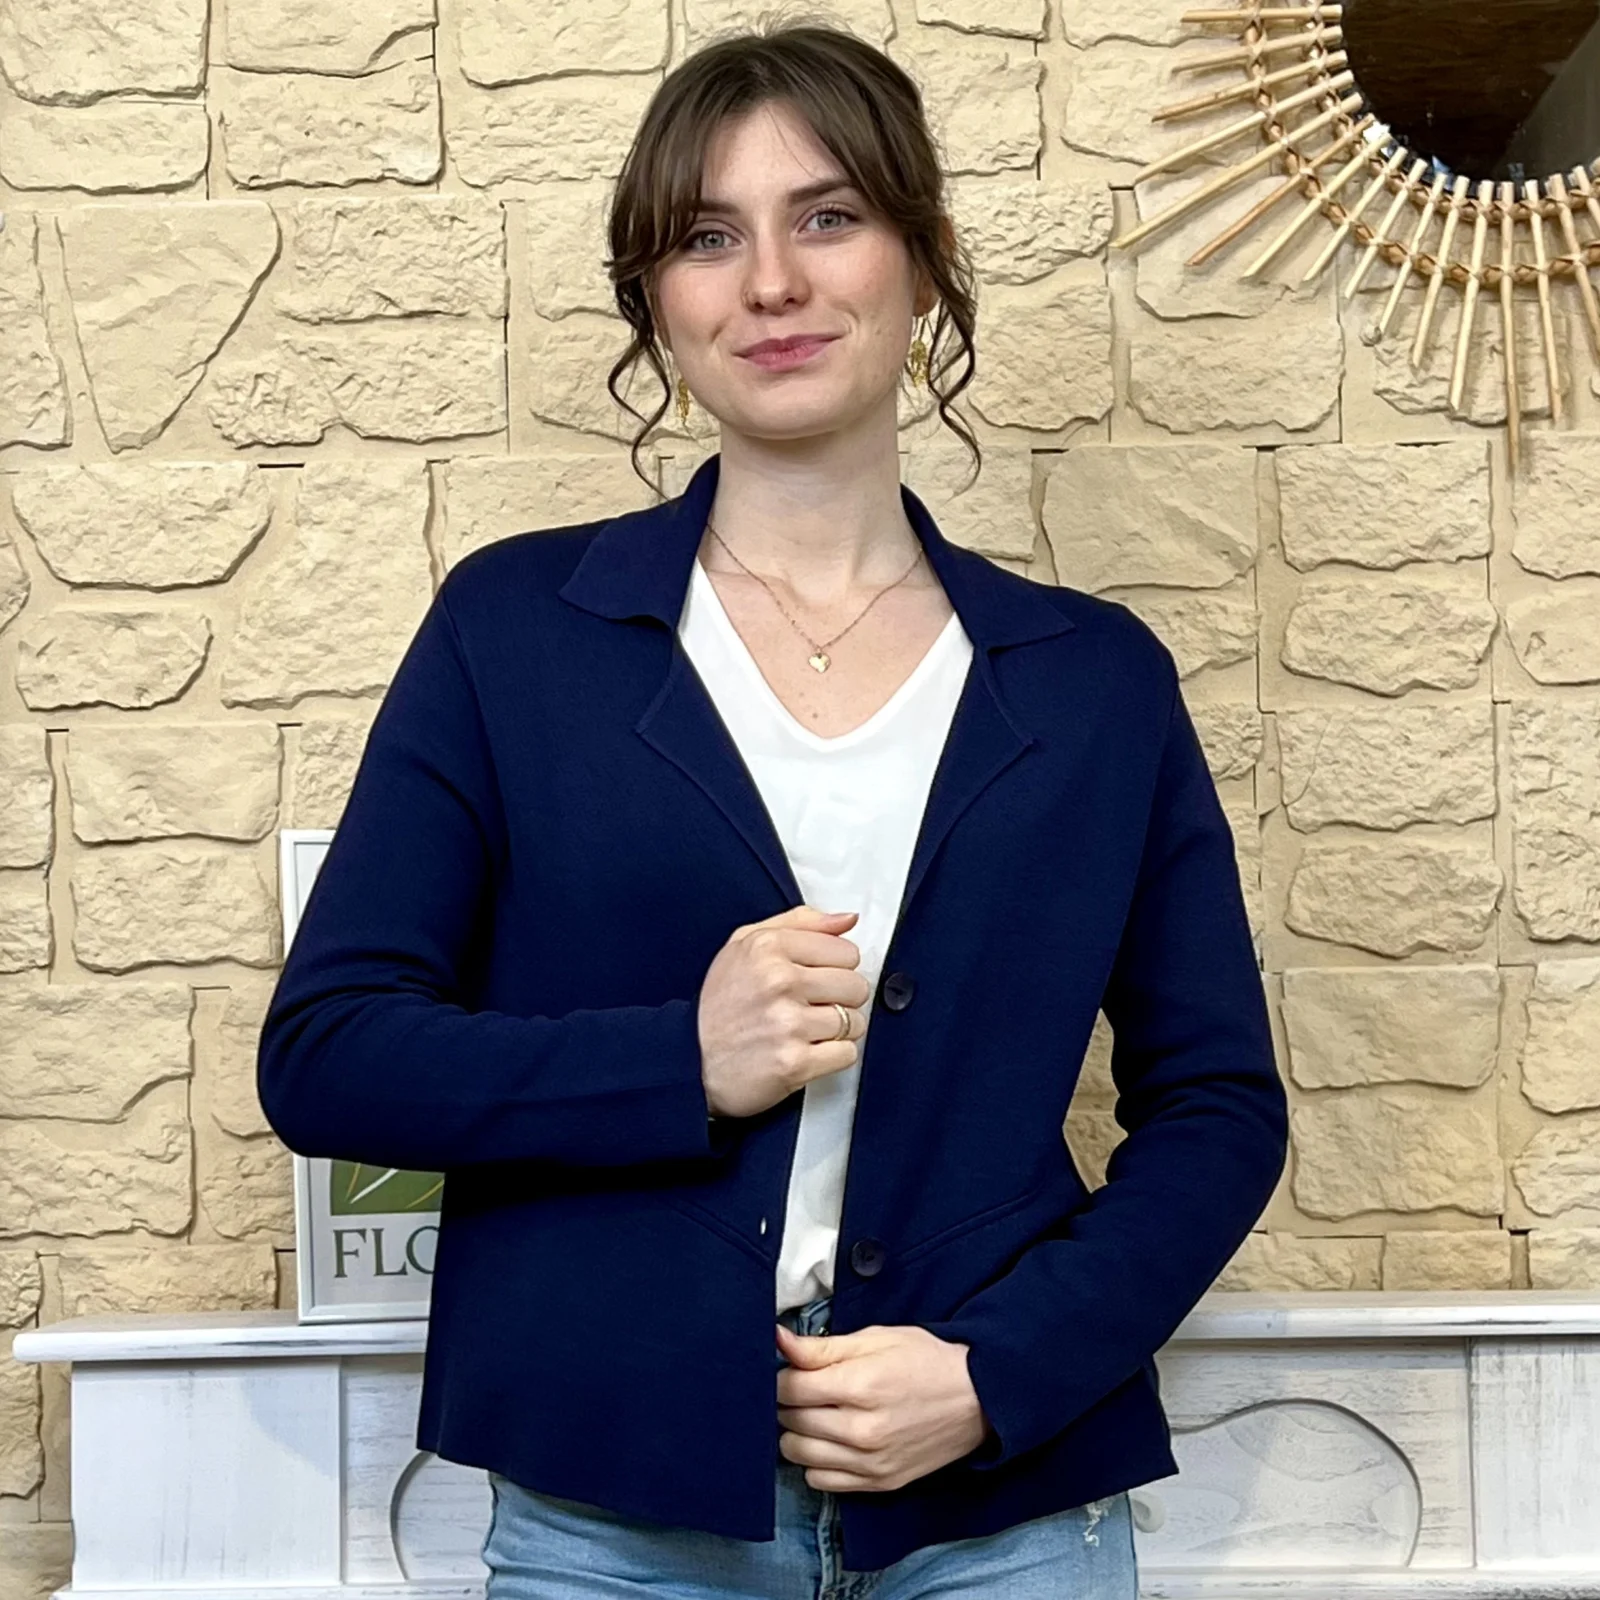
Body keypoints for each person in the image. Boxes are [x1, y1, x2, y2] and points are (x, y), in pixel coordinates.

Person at [256, 16, 1289, 1598]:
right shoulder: (513, 633)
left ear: (923, 261)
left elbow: (1217, 1106)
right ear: (657, 302)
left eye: (829, 217)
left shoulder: (1095, 682)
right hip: (612, 1517)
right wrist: (678, 1057)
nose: (773, 284)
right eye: (708, 238)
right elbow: (329, 1056)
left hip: (1002, 1510)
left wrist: (996, 1370)